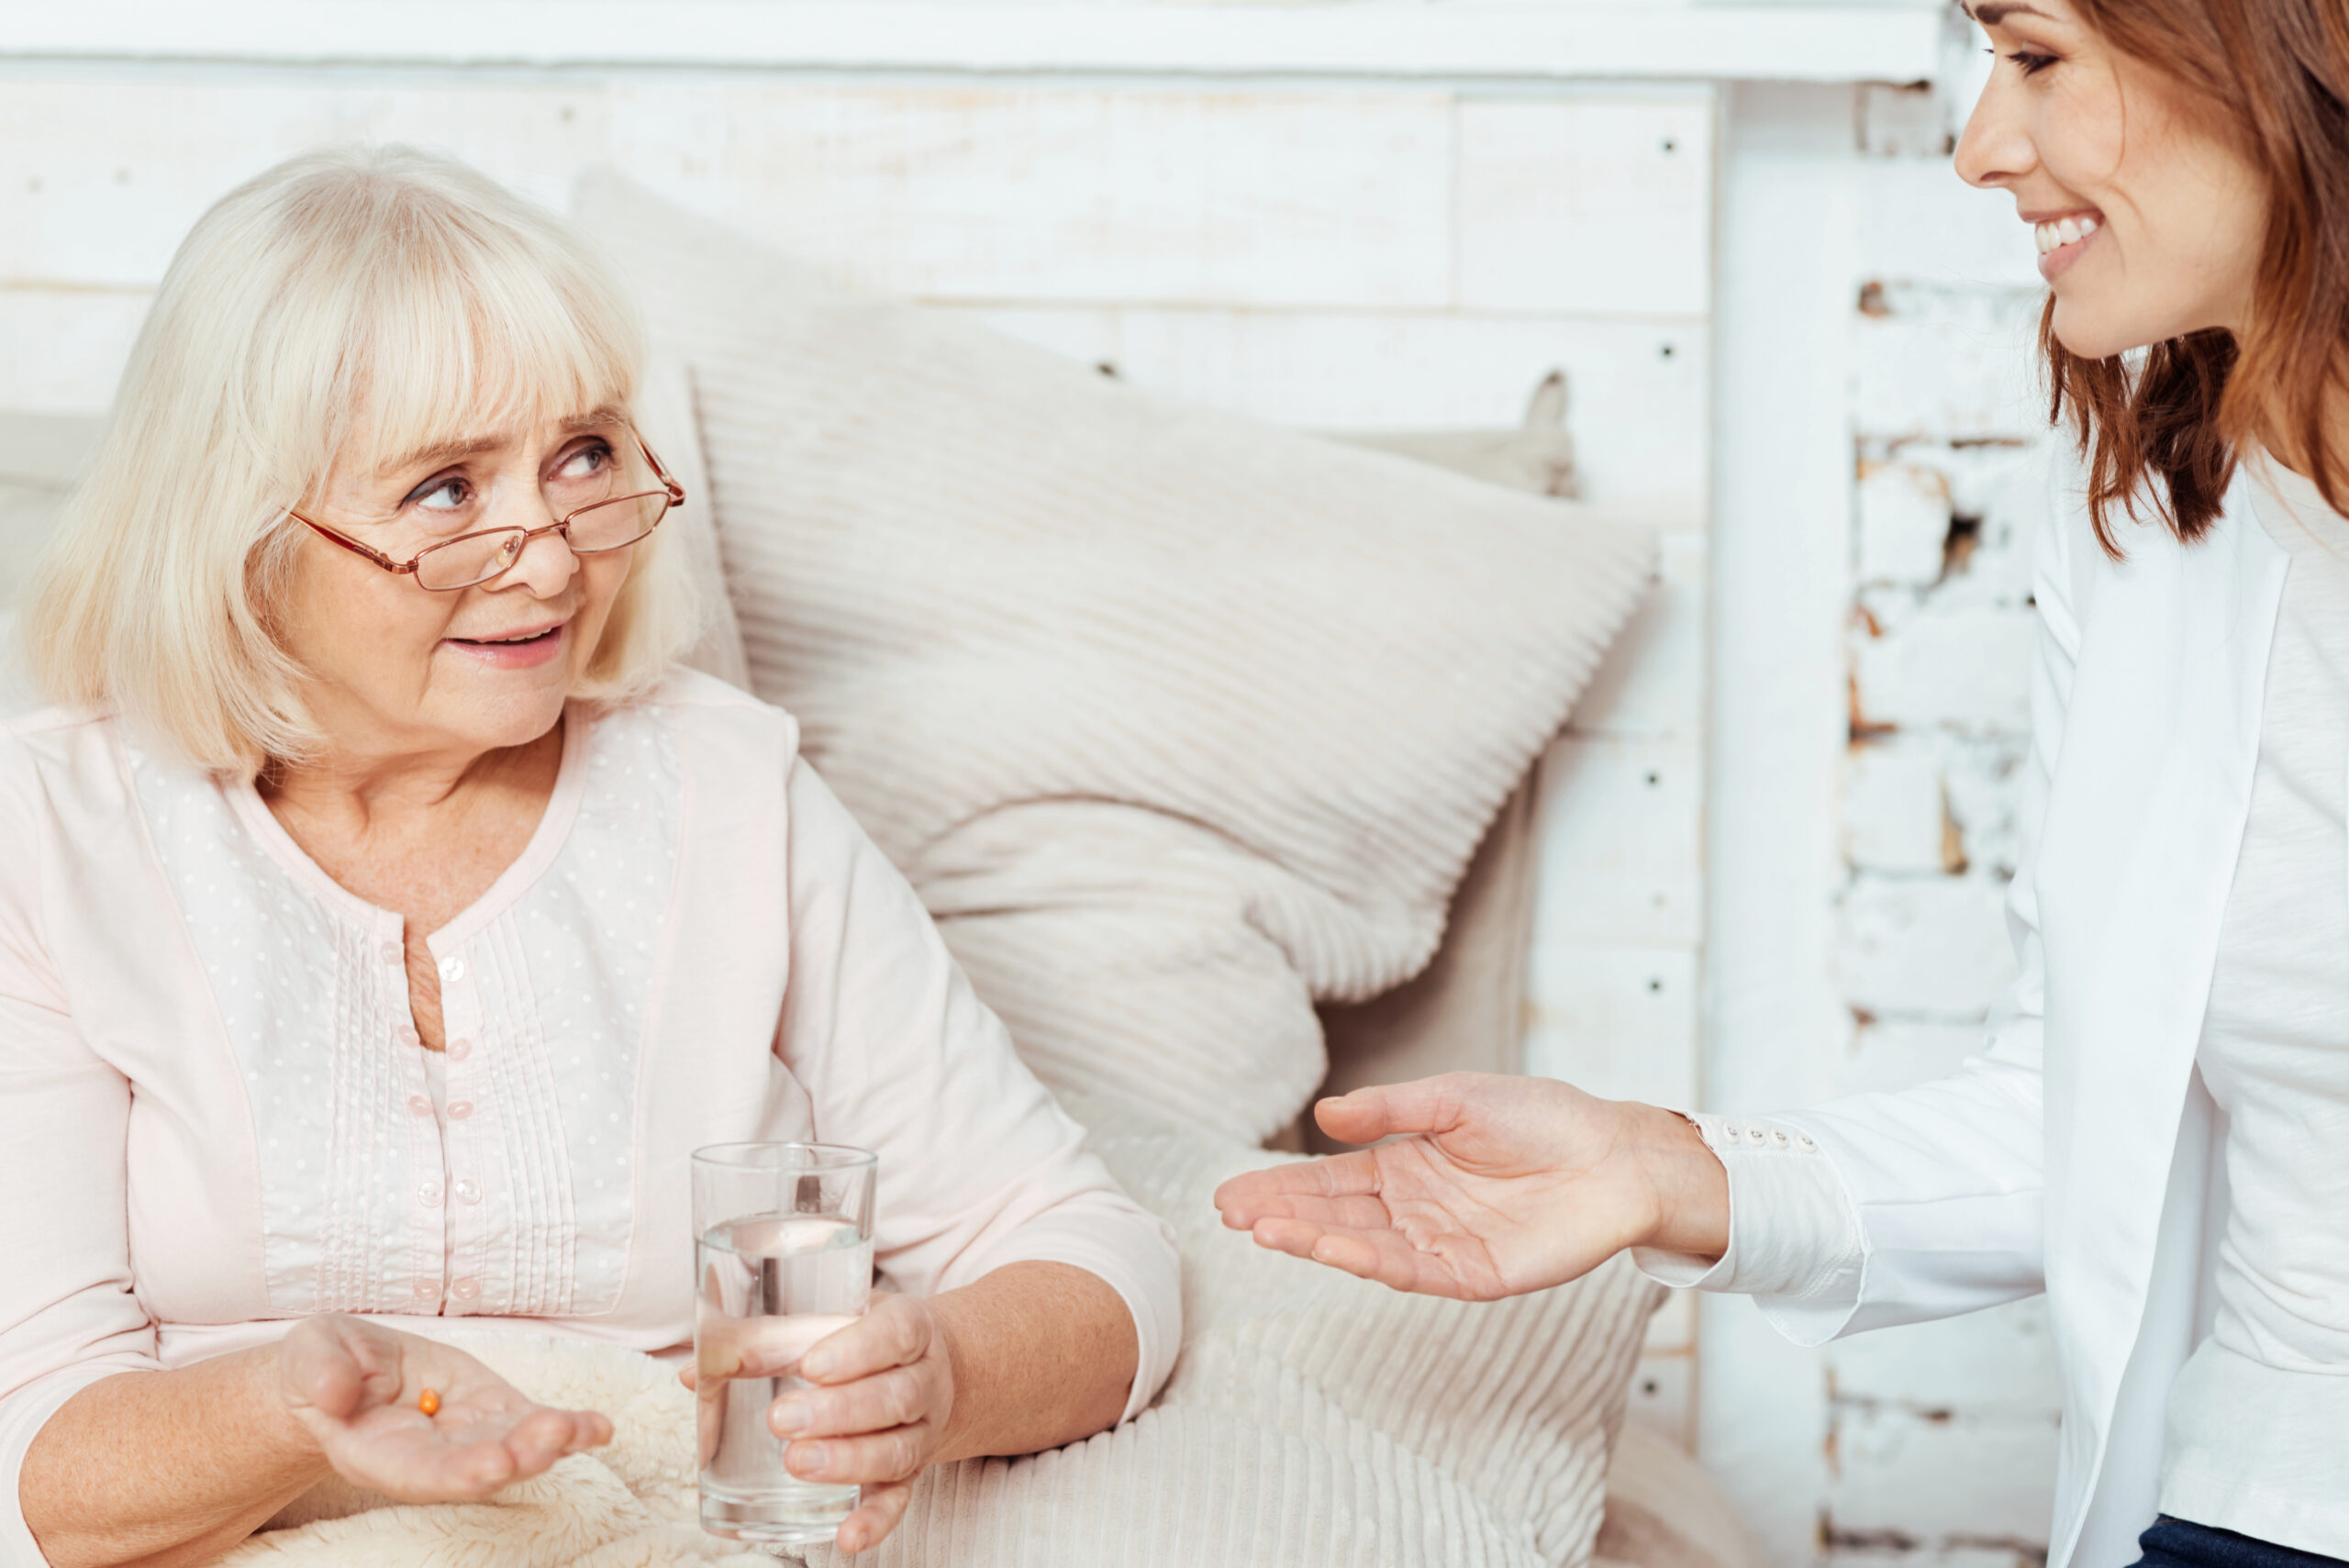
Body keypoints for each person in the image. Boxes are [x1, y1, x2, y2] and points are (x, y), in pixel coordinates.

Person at [1217, 3, 2349, 1566]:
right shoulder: (2157, 510)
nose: (1978, 148)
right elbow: (2090, 1119)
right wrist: (1667, 1171)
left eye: (2034, 59)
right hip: (2259, 1492)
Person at [0, 145, 1179, 1568]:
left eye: (583, 456)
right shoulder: (52, 839)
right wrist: (298, 1411)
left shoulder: (731, 795)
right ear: (244, 535)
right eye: (444, 490)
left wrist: (950, 1375)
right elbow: (37, 1461)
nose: (554, 560)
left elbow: (1093, 1253)